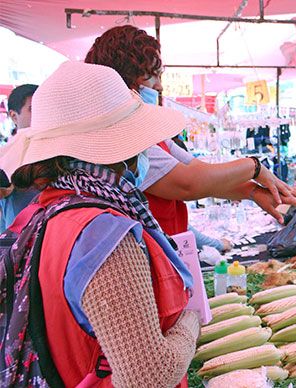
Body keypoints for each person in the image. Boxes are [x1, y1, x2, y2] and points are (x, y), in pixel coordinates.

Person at [0, 62, 201, 386]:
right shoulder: (104, 234)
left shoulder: (53, 208)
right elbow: (148, 377)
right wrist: (191, 324)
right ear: (123, 148)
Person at [85, 25, 296, 239]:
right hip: (142, 255)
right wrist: (254, 167)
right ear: (125, 80)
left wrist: (253, 191)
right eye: (151, 76)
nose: (160, 86)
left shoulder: (149, 134)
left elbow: (199, 170)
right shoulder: (120, 139)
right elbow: (189, 183)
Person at [0, 84, 39, 232]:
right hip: (18, 234)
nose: (40, 115)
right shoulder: (5, 154)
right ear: (14, 116)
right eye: (32, 109)